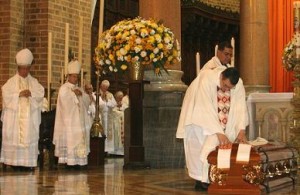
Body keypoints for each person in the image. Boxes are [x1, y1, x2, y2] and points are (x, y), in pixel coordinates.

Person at [176, 66, 248, 191]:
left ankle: (218, 177)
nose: (226, 90)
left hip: (223, 120)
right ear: (221, 77)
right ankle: (201, 180)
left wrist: (241, 130)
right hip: (199, 119)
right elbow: (205, 107)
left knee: (224, 145)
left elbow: (241, 107)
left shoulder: (238, 84)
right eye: (225, 86)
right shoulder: (206, 78)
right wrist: (219, 132)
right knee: (202, 146)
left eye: (230, 88)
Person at [1, 48, 44, 171]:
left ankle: (28, 163)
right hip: (15, 119)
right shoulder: (11, 82)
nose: (25, 71)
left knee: (29, 136)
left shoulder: (33, 82)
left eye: (27, 68)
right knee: (15, 137)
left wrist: (31, 93)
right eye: (23, 68)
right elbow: (6, 94)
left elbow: (40, 92)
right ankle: (14, 162)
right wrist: (18, 94)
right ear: (18, 68)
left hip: (29, 120)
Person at [53, 60, 91, 169]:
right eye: (73, 76)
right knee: (70, 140)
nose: (75, 79)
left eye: (77, 77)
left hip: (80, 121)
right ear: (68, 76)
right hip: (69, 122)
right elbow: (64, 102)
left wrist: (82, 95)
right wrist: (73, 94)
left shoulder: (79, 88)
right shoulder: (64, 88)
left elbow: (87, 102)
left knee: (80, 139)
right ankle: (70, 162)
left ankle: (80, 162)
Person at [99, 80, 117, 154]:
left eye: (106, 87)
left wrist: (107, 101)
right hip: (100, 116)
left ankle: (107, 150)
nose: (105, 89)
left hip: (108, 116)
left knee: (107, 132)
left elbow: (114, 104)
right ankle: (101, 149)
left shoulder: (110, 94)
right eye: (104, 87)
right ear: (101, 86)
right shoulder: (96, 93)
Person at [111, 91, 129, 155]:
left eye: (121, 97)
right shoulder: (113, 103)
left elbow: (126, 110)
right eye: (119, 97)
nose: (120, 99)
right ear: (116, 97)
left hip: (122, 124)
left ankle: (121, 152)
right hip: (115, 124)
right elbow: (112, 111)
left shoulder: (123, 104)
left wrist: (121, 109)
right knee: (116, 137)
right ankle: (114, 152)